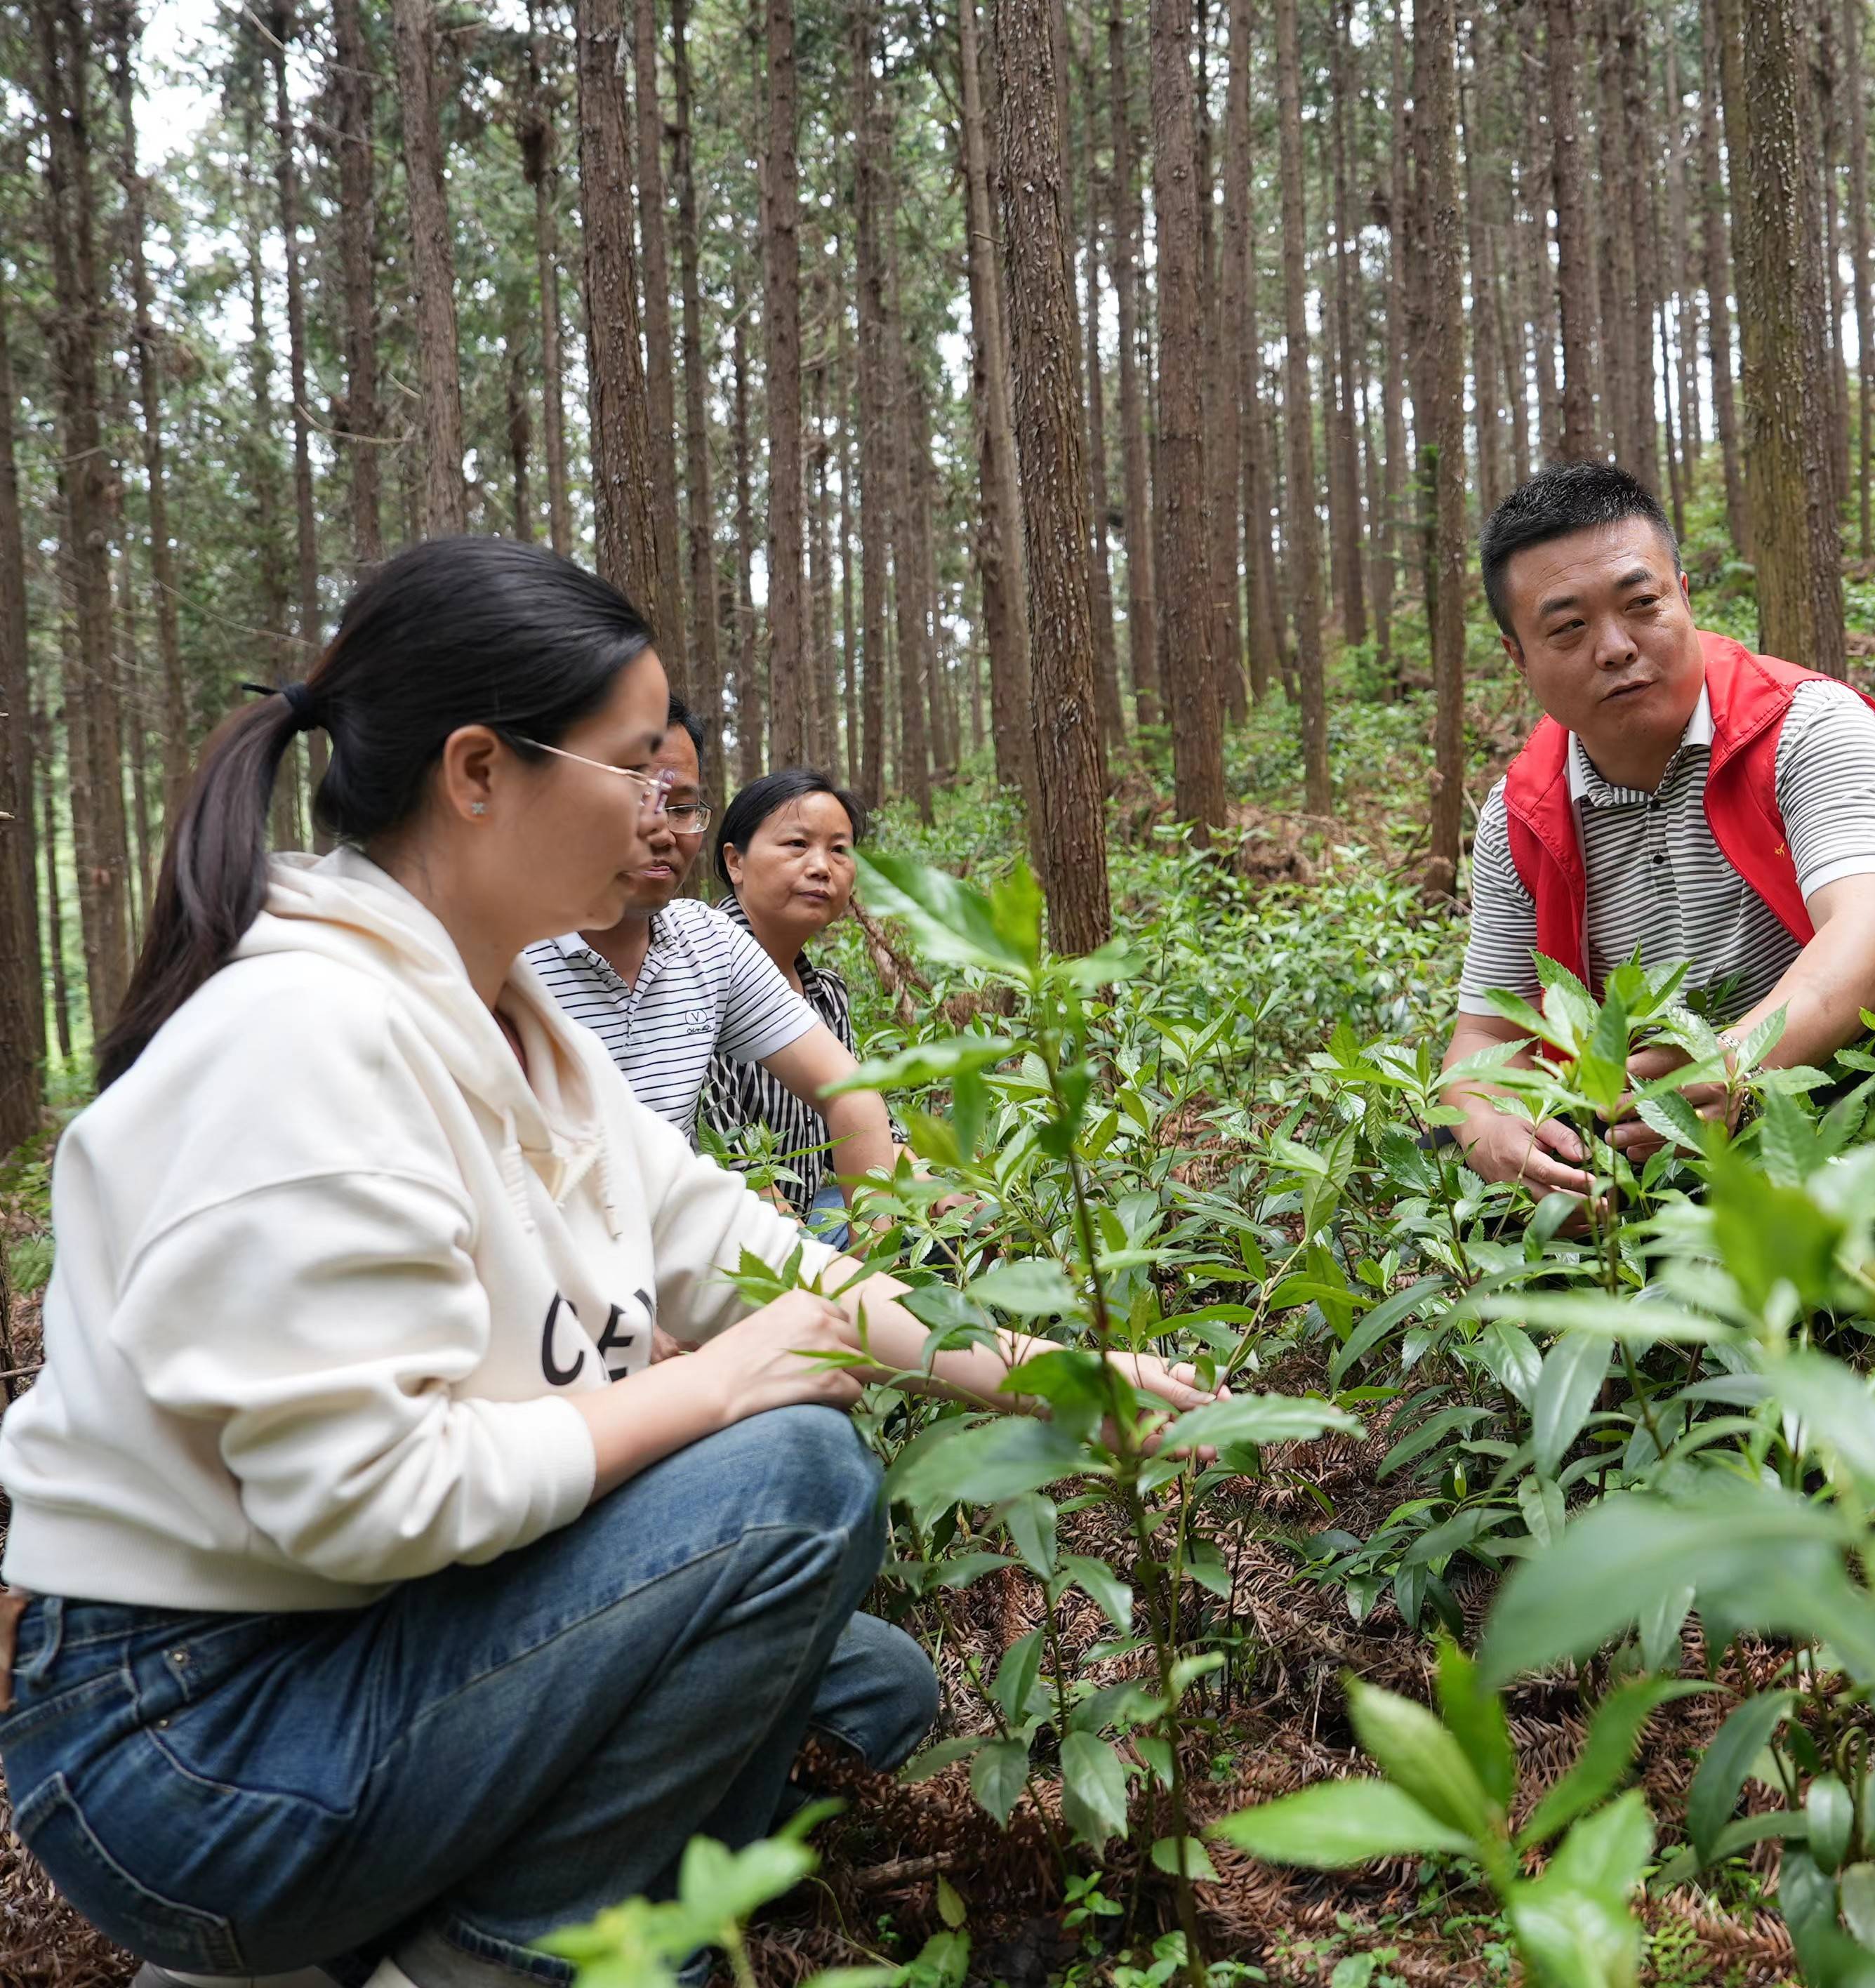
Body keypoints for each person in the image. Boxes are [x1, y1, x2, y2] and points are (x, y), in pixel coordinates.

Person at [0, 538, 1214, 1988]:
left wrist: (1063, 1383)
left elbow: (758, 1261)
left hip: (358, 1649)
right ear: (477, 773)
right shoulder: (304, 1039)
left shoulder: (524, 1033)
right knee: (793, 1484)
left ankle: (362, 1940)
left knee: (868, 1684)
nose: (665, 812)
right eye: (636, 766)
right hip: (198, 1745)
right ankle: (486, 1960)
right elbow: (363, 1499)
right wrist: (713, 1398)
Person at [1441, 460, 1875, 1194]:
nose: (1616, 647)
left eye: (1641, 604)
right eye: (1567, 628)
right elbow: (1483, 1040)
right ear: (1518, 658)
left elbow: (1870, 940)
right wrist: (1487, 1128)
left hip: (1821, 1080)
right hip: (1647, 1120)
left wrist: (1735, 1066)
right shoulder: (1519, 815)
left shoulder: (1808, 725)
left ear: (1683, 598)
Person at [523, 700, 899, 1193]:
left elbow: (853, 1095)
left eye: (681, 808)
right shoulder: (505, 953)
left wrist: (870, 1251)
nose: (660, 829)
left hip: (692, 1242)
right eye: (634, 797)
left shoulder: (709, 946)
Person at [701, 769, 885, 1235]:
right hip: (737, 1241)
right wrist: (863, 1281)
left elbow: (869, 1135)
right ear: (735, 862)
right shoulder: (698, 979)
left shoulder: (825, 994)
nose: (822, 866)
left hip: (805, 1213)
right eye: (797, 845)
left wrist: (947, 1205)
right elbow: (737, 1165)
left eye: (839, 850)